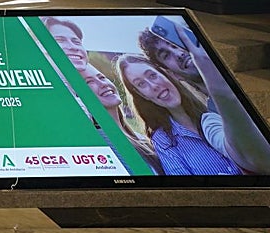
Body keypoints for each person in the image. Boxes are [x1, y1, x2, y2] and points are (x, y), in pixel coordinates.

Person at [117, 54, 245, 175]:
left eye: (152, 75)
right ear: (143, 95)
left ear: (165, 73)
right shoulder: (163, 140)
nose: (153, 86)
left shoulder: (216, 105)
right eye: (141, 84)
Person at [79, 62, 162, 174]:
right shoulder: (99, 144)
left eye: (101, 77)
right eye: (89, 82)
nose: (103, 84)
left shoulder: (143, 139)